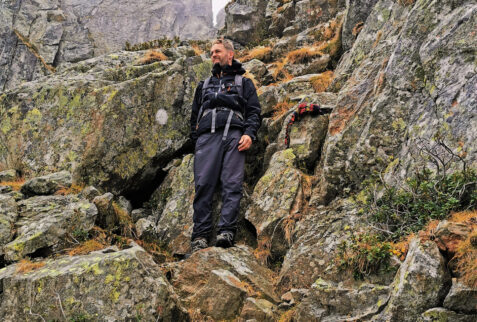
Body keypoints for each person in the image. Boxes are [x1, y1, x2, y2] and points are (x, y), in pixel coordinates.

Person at [189, 38, 261, 252]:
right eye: (211, 52)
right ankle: (200, 236)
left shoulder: (244, 83)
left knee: (232, 184)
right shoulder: (203, 86)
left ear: (230, 54)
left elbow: (254, 112)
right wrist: (197, 140)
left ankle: (226, 232)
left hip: (234, 137)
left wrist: (249, 134)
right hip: (207, 139)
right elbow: (194, 117)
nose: (213, 55)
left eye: (217, 51)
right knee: (203, 186)